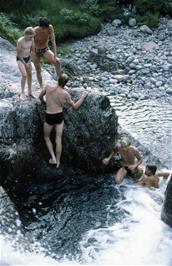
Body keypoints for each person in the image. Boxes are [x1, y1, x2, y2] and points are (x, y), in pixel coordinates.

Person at [39, 73, 88, 168]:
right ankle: (58, 162)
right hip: (59, 116)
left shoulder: (48, 87)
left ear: (58, 79)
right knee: (58, 139)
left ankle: (52, 157)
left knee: (46, 137)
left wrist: (45, 102)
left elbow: (40, 97)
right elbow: (75, 107)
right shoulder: (65, 94)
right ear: (65, 84)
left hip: (49, 115)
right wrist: (82, 97)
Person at [32, 17, 61, 90]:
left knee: (57, 61)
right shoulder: (34, 30)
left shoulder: (50, 28)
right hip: (35, 51)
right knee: (38, 69)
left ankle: (60, 83)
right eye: (43, 28)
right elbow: (29, 44)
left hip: (45, 49)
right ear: (40, 26)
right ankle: (41, 87)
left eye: (46, 28)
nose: (45, 30)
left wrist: (55, 55)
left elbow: (53, 42)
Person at [16, 27, 35, 100]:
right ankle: (22, 92)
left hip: (28, 58)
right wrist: (24, 63)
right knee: (24, 75)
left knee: (30, 74)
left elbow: (33, 51)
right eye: (30, 37)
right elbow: (18, 54)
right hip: (20, 59)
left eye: (32, 37)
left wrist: (29, 61)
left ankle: (30, 92)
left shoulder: (32, 40)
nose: (31, 38)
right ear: (26, 34)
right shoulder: (20, 41)